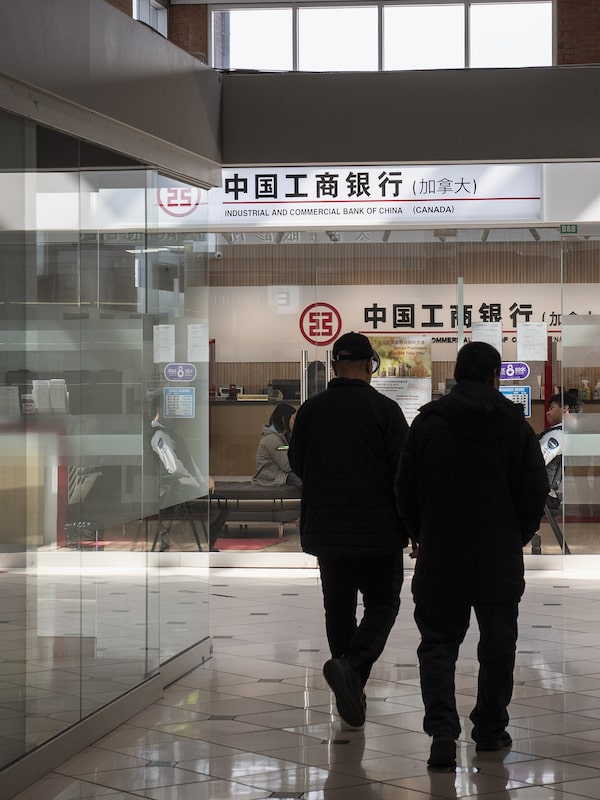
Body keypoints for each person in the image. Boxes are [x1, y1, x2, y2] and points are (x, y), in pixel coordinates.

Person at [395, 341, 548, 769]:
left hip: (441, 551)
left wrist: (418, 533)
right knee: (499, 644)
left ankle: (442, 732)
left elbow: (405, 487)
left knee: (439, 644)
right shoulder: (514, 427)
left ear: (456, 376)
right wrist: (517, 533)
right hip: (497, 552)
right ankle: (490, 728)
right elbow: (534, 490)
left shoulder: (428, 424)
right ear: (494, 376)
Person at [289, 331, 409, 730]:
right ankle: (353, 670)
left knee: (338, 608)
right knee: (383, 605)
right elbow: (403, 476)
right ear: (370, 365)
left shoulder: (310, 411)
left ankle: (351, 688)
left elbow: (299, 465)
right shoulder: (386, 411)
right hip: (379, 533)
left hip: (328, 532)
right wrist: (415, 528)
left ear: (335, 366)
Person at [149, 391, 227, 551]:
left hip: (185, 486)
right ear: (160, 409)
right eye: (171, 408)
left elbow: (188, 462)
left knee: (223, 504)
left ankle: (206, 545)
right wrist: (197, 482)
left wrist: (203, 478)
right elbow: (175, 468)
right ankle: (203, 546)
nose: (174, 414)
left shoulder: (170, 433)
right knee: (220, 505)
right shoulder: (159, 436)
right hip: (176, 491)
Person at [538, 391, 580, 508]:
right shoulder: (567, 433)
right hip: (548, 494)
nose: (547, 412)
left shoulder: (557, 435)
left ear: (565, 408)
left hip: (539, 494)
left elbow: (535, 462)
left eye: (551, 408)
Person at [252, 402, 301, 487]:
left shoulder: (284, 437)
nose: (296, 423)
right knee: (304, 481)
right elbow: (287, 466)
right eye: (293, 419)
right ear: (284, 419)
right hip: (271, 478)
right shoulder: (272, 439)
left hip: (281, 475)